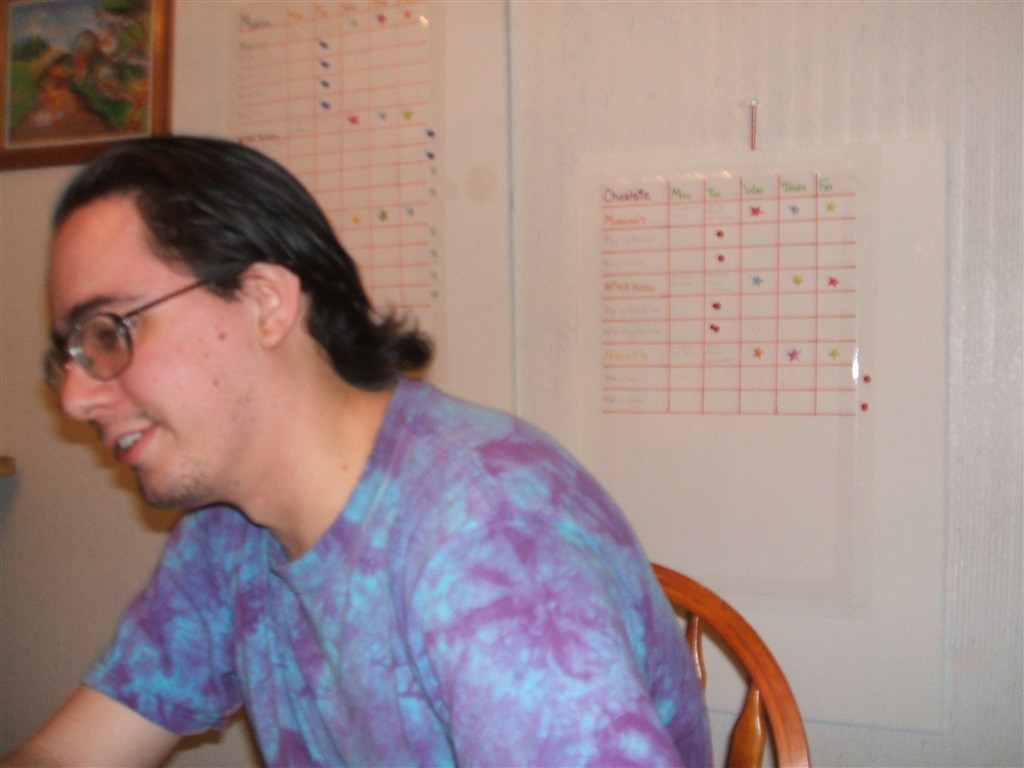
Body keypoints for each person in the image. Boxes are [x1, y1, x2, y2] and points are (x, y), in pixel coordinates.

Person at [4, 136, 711, 767]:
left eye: (109, 333)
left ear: (265, 302)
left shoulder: (488, 546)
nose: (74, 399)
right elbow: (72, 753)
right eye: (68, 356)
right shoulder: (229, 532)